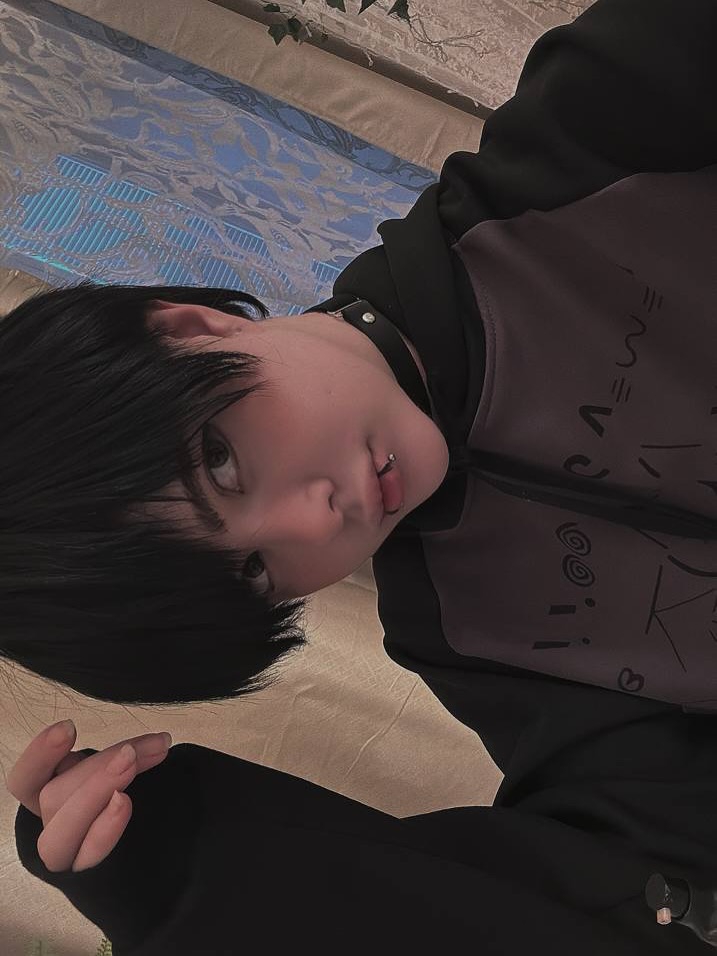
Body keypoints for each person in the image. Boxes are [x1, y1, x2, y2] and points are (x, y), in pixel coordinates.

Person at [6, 0, 717, 951]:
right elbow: (654, 884)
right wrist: (202, 882)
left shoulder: (575, 160)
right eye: (254, 573)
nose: (316, 522)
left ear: (187, 327)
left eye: (220, 460)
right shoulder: (464, 631)